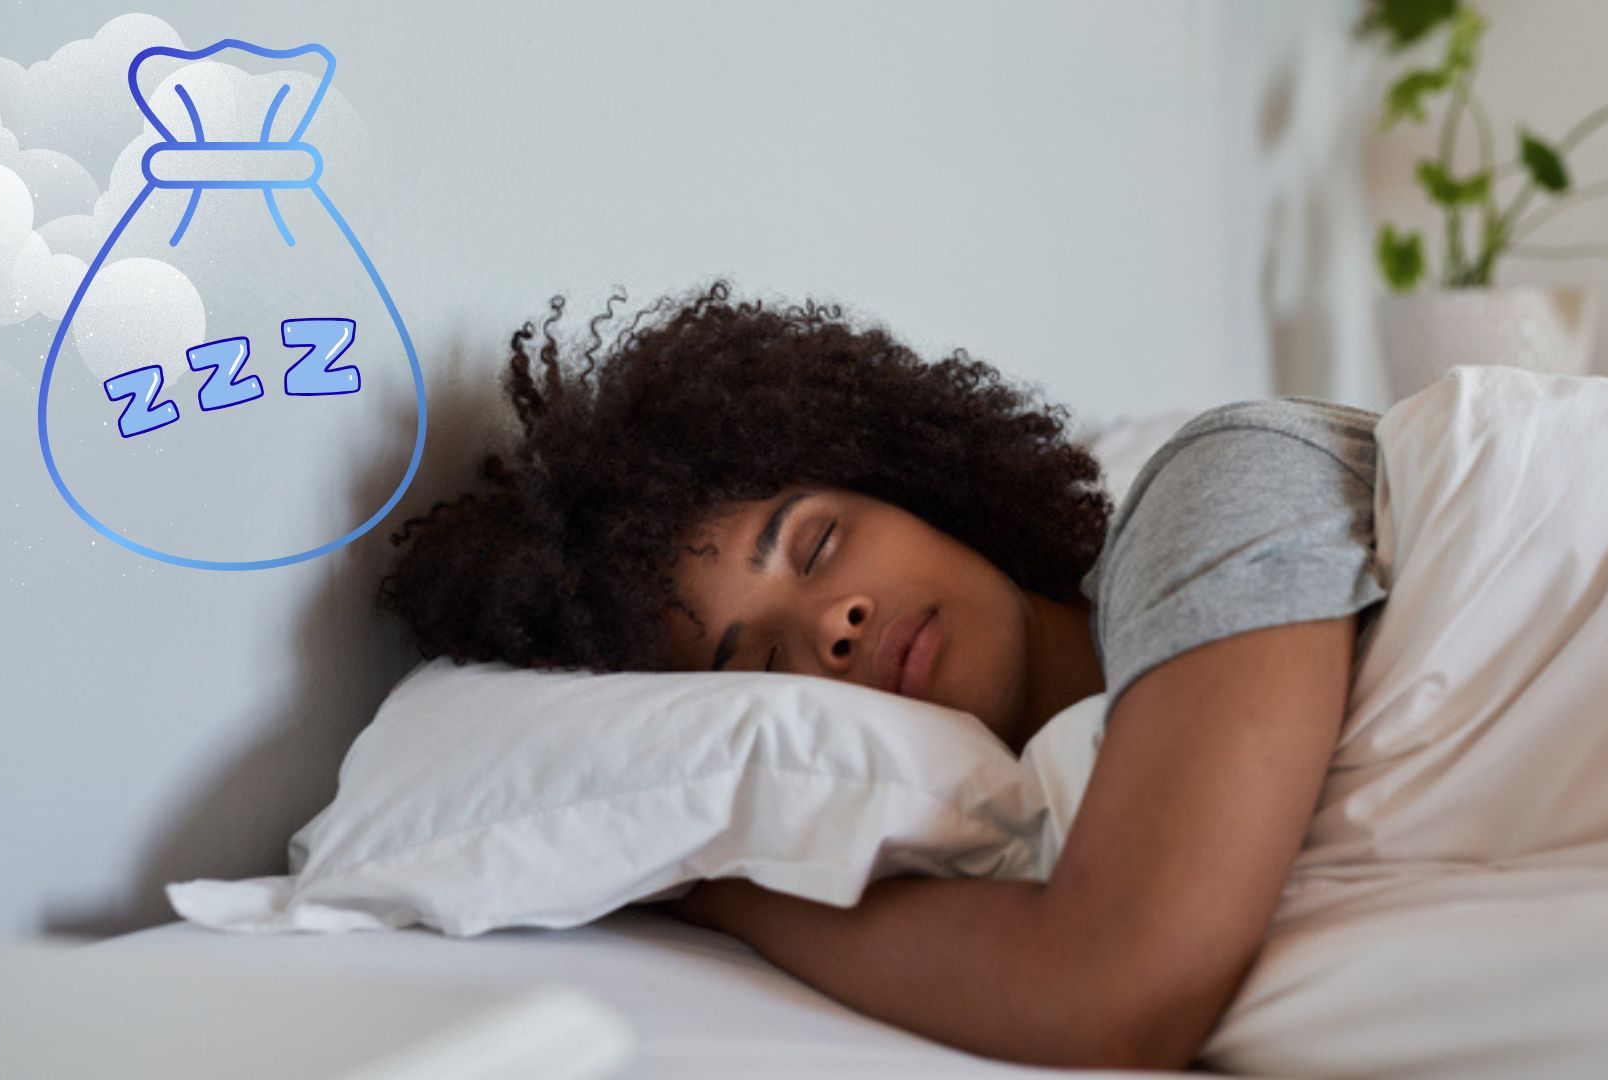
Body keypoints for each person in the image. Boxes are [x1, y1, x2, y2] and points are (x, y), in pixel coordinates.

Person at [377, 278, 1389, 1071]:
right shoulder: (1036, 791)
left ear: (913, 483)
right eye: (767, 663)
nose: (834, 623)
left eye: (816, 545)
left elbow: (1119, 997)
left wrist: (721, 889)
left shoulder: (1212, 489)